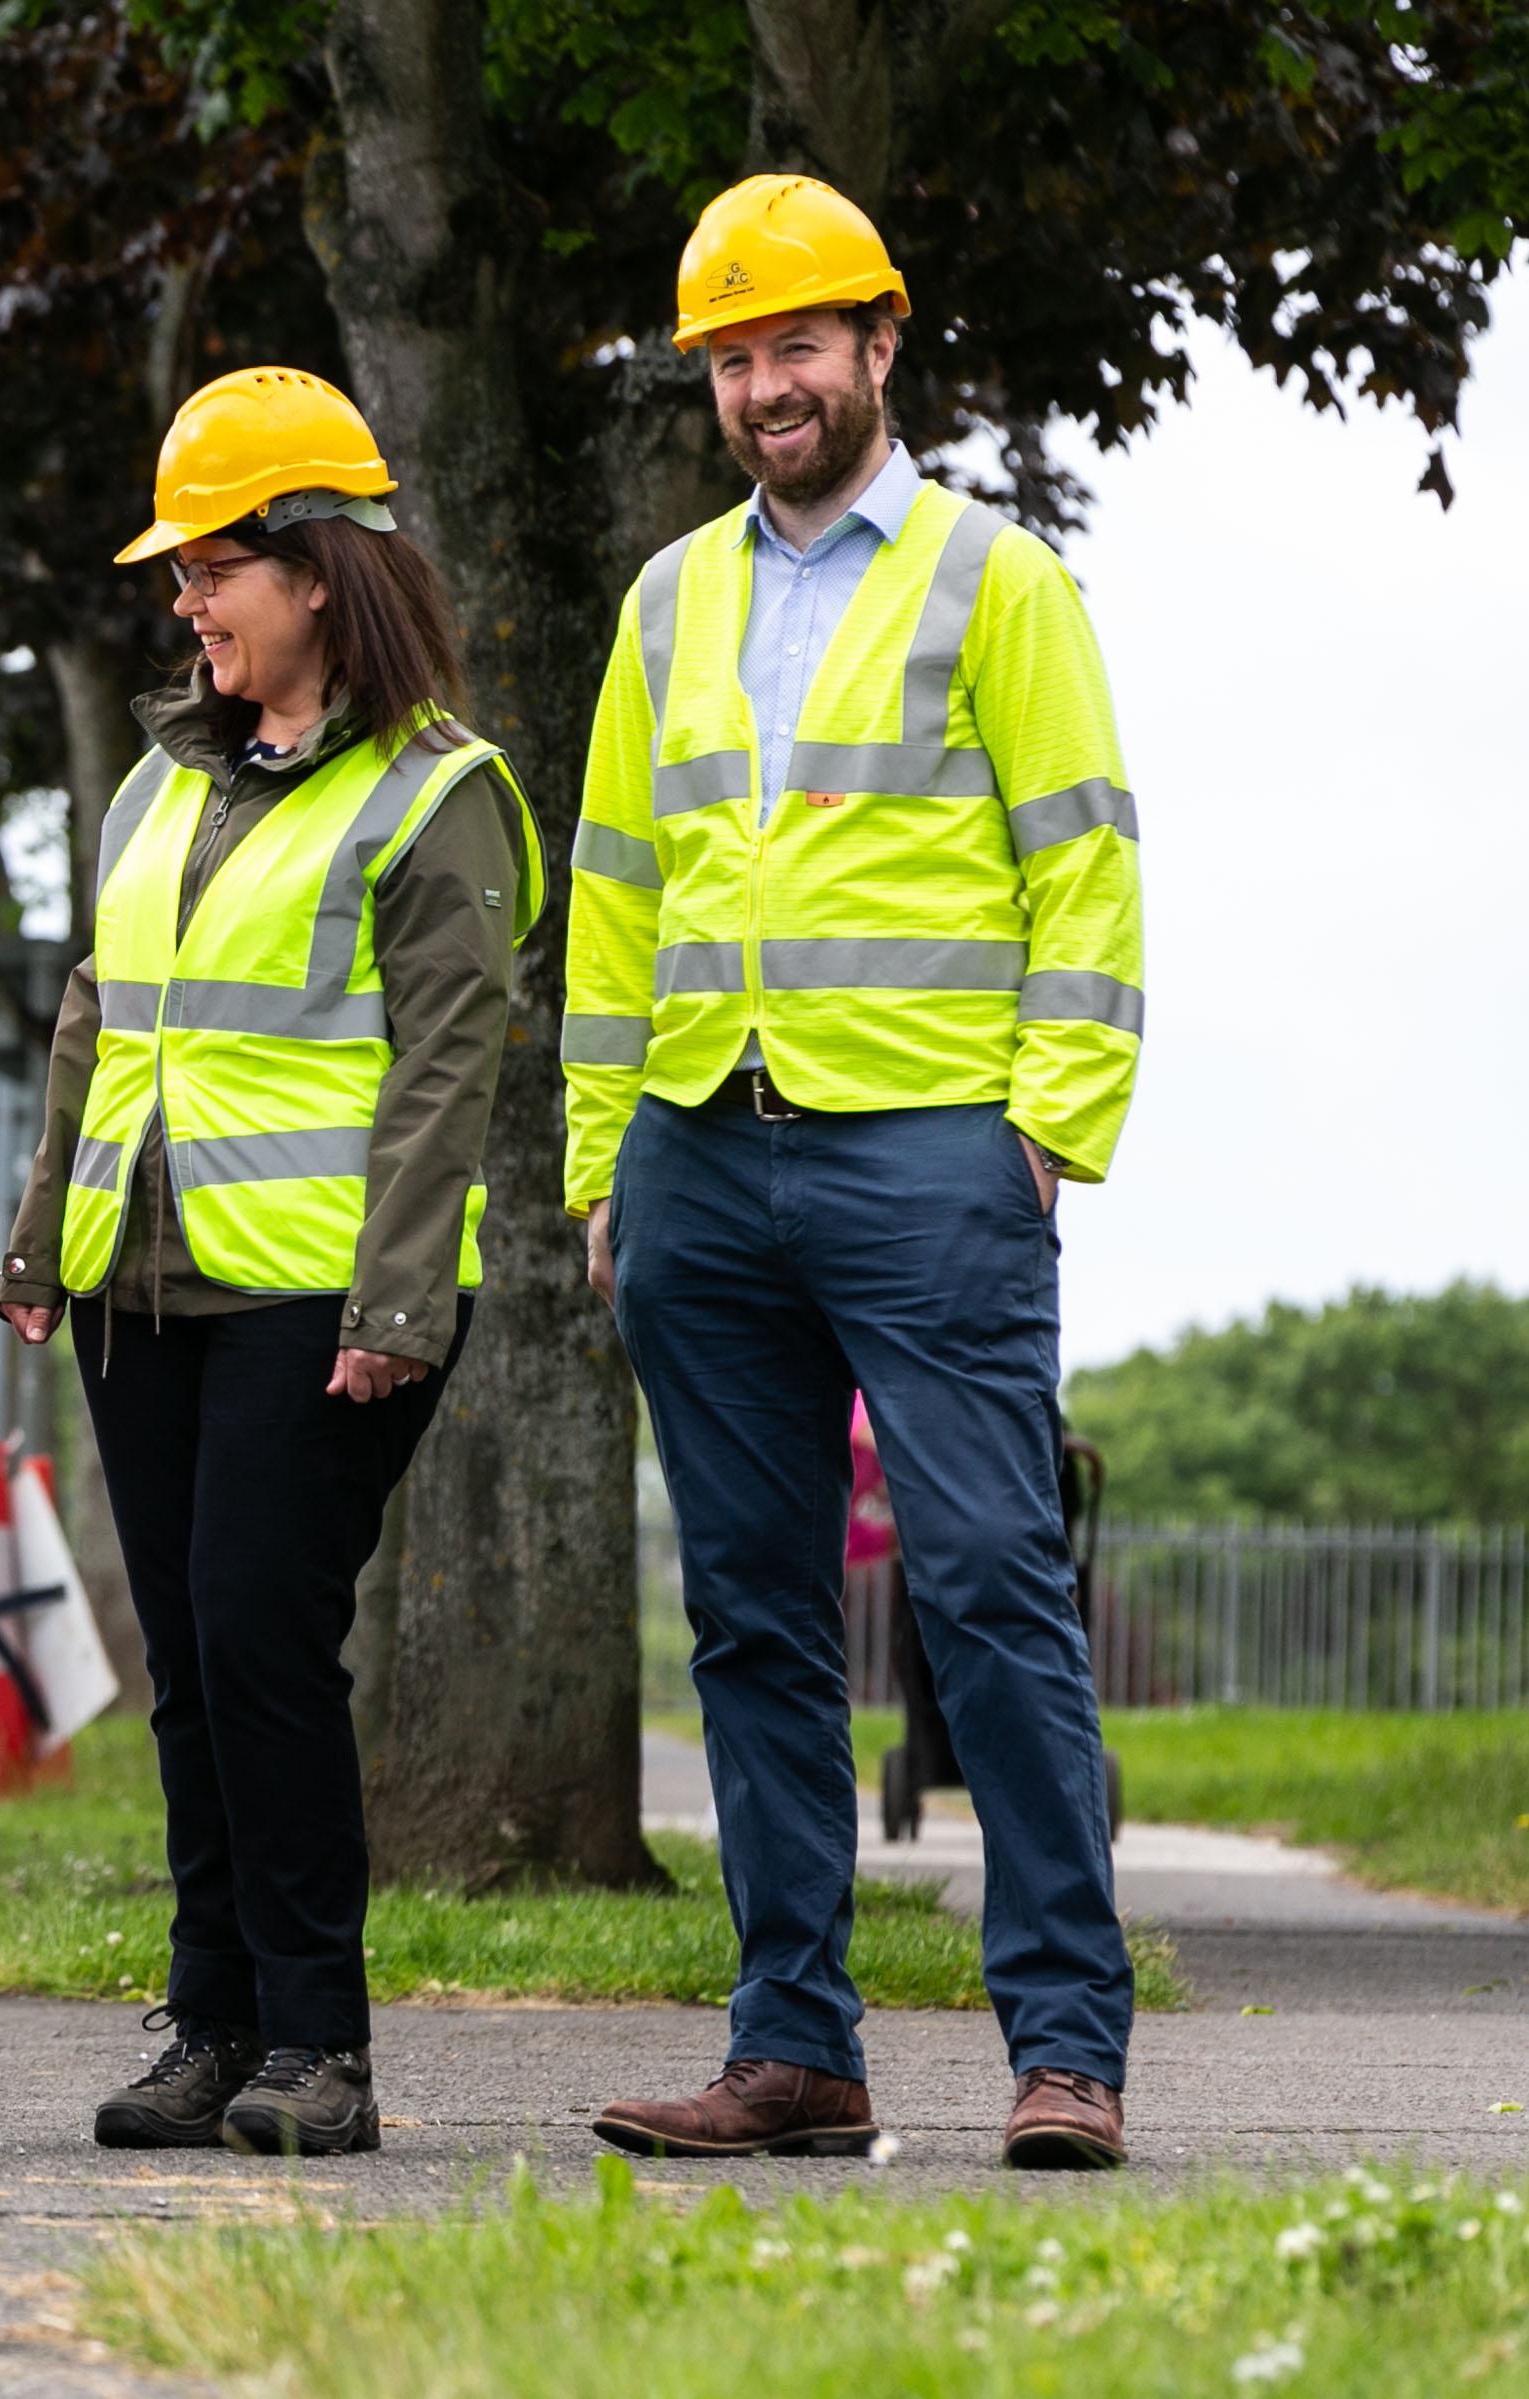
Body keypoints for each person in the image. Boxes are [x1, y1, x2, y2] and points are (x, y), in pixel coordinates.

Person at [563, 174, 1147, 2171]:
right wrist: (595, 1162)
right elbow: (613, 898)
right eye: (730, 358)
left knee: (989, 1591)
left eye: (795, 345)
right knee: (749, 1619)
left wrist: (1053, 1120)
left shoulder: (1002, 584)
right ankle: (789, 2048)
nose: (763, 386)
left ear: (880, 347)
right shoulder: (668, 602)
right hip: (697, 1166)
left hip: (928, 1162)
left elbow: (1082, 853)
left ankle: (1066, 2047)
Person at [0, 367, 541, 2157]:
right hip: (143, 1287)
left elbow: (451, 1066)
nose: (187, 602)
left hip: (319, 1300)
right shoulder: (164, 784)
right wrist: (39, 1232)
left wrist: (399, 1305)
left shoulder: (438, 797)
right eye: (179, 574)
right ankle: (212, 2023)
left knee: (262, 1639)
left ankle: (321, 2043)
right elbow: (98, 1012)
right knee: (193, 1661)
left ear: (315, 571)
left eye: (214, 567)